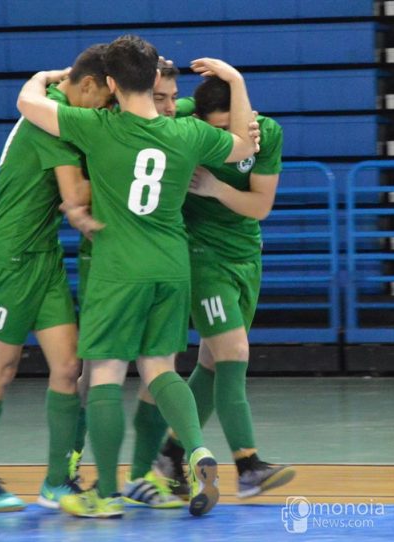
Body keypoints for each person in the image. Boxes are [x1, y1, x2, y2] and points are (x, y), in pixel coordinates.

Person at [17, 34, 258, 518]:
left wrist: (44, 77)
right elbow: (242, 146)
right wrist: (235, 81)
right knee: (161, 369)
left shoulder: (97, 126)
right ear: (153, 80)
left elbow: (27, 104)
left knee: (106, 374)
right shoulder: (187, 133)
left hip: (118, 268)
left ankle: (107, 493)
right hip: (171, 266)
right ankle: (197, 449)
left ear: (110, 83)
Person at [0, 44, 113, 513]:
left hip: (43, 257)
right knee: (0, 368)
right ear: (87, 85)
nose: (104, 112)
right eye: (104, 102)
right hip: (6, 259)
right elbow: (75, 195)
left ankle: (57, 482)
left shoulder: (55, 105)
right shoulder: (50, 119)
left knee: (68, 366)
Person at [149, 68, 295, 499]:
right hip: (201, 257)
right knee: (234, 353)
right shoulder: (185, 118)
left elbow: (260, 206)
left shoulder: (266, 133)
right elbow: (150, 108)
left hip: (246, 258)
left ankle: (170, 455)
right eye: (217, 131)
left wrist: (214, 187)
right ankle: (248, 465)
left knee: (214, 365)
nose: (228, 141)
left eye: (233, 128)